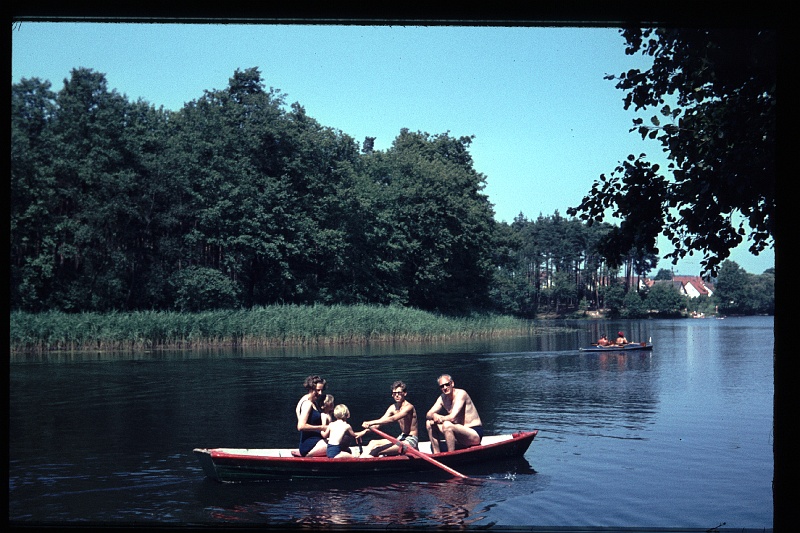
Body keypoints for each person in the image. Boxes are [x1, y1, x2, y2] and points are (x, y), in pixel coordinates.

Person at [425, 374, 483, 454]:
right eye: (442, 386)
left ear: (452, 384)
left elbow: (452, 417)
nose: (445, 388)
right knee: (429, 423)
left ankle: (450, 455)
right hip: (458, 434)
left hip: (473, 433)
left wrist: (439, 417)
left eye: (447, 384)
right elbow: (428, 414)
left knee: (447, 425)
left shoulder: (461, 394)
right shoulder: (442, 398)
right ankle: (436, 454)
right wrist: (434, 415)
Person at [360, 380, 419, 457]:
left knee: (377, 450)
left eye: (399, 393)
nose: (397, 395)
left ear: (405, 393)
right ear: (392, 395)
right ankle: (360, 460)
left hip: (411, 441)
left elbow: (393, 419)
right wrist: (362, 433)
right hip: (401, 438)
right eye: (394, 393)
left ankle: (364, 463)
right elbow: (380, 423)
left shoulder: (409, 407)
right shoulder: (393, 407)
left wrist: (371, 422)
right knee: (372, 442)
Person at [296, 375, 329, 457]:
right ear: (310, 388)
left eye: (322, 390)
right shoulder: (307, 404)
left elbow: (297, 410)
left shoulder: (308, 399)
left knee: (344, 441)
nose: (320, 393)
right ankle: (308, 456)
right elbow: (300, 426)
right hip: (309, 445)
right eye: (317, 390)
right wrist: (321, 427)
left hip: (317, 441)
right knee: (340, 444)